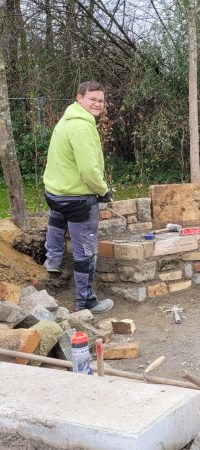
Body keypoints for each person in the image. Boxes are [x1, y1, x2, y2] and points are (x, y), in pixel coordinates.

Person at [43, 81, 114, 314]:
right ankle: (86, 302)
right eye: (92, 99)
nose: (97, 104)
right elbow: (88, 170)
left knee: (56, 219)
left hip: (55, 192)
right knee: (85, 251)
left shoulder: (66, 120)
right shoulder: (82, 128)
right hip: (77, 198)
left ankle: (52, 261)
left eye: (101, 100)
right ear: (79, 98)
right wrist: (103, 190)